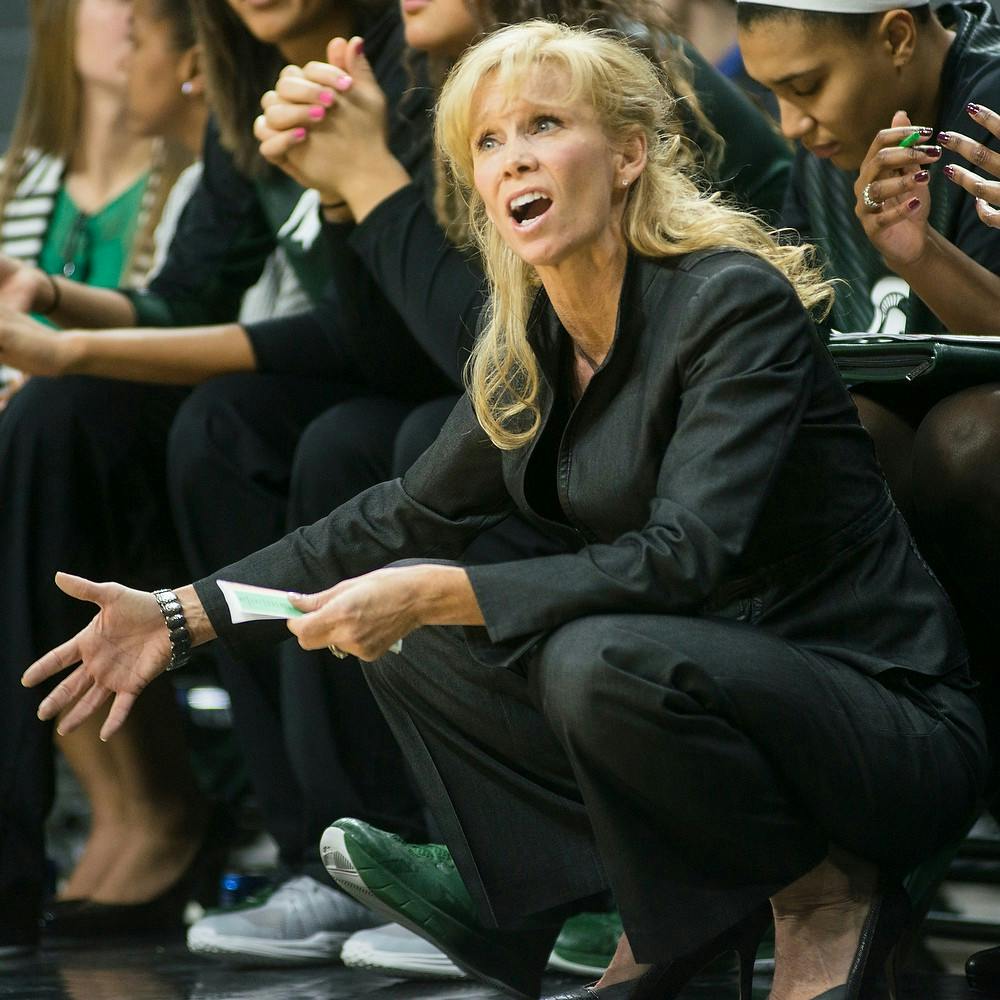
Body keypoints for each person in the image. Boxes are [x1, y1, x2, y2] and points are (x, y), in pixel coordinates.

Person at [22, 19, 989, 1000]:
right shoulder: (533, 333)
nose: (513, 156)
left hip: (879, 726)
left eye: (542, 125)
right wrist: (182, 612)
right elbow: (395, 517)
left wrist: (449, 591)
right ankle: (662, 905)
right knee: (408, 637)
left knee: (584, 654)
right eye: (487, 140)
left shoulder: (726, 301)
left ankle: (822, 892)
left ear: (626, 155)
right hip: (709, 692)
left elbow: (681, 557)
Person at [0, 0, 441, 957]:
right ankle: (297, 854)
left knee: (283, 431)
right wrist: (53, 303)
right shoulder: (252, 83)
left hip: (441, 379)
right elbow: (190, 292)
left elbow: (402, 337)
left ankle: (379, 844)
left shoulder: (418, 54)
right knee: (63, 419)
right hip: (369, 375)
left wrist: (72, 345)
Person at [737, 0, 1000, 764]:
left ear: (895, 36)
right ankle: (893, 760)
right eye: (773, 96)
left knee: (970, 441)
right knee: (835, 440)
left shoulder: (987, 108)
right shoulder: (836, 149)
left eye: (807, 86)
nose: (789, 125)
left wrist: (917, 257)